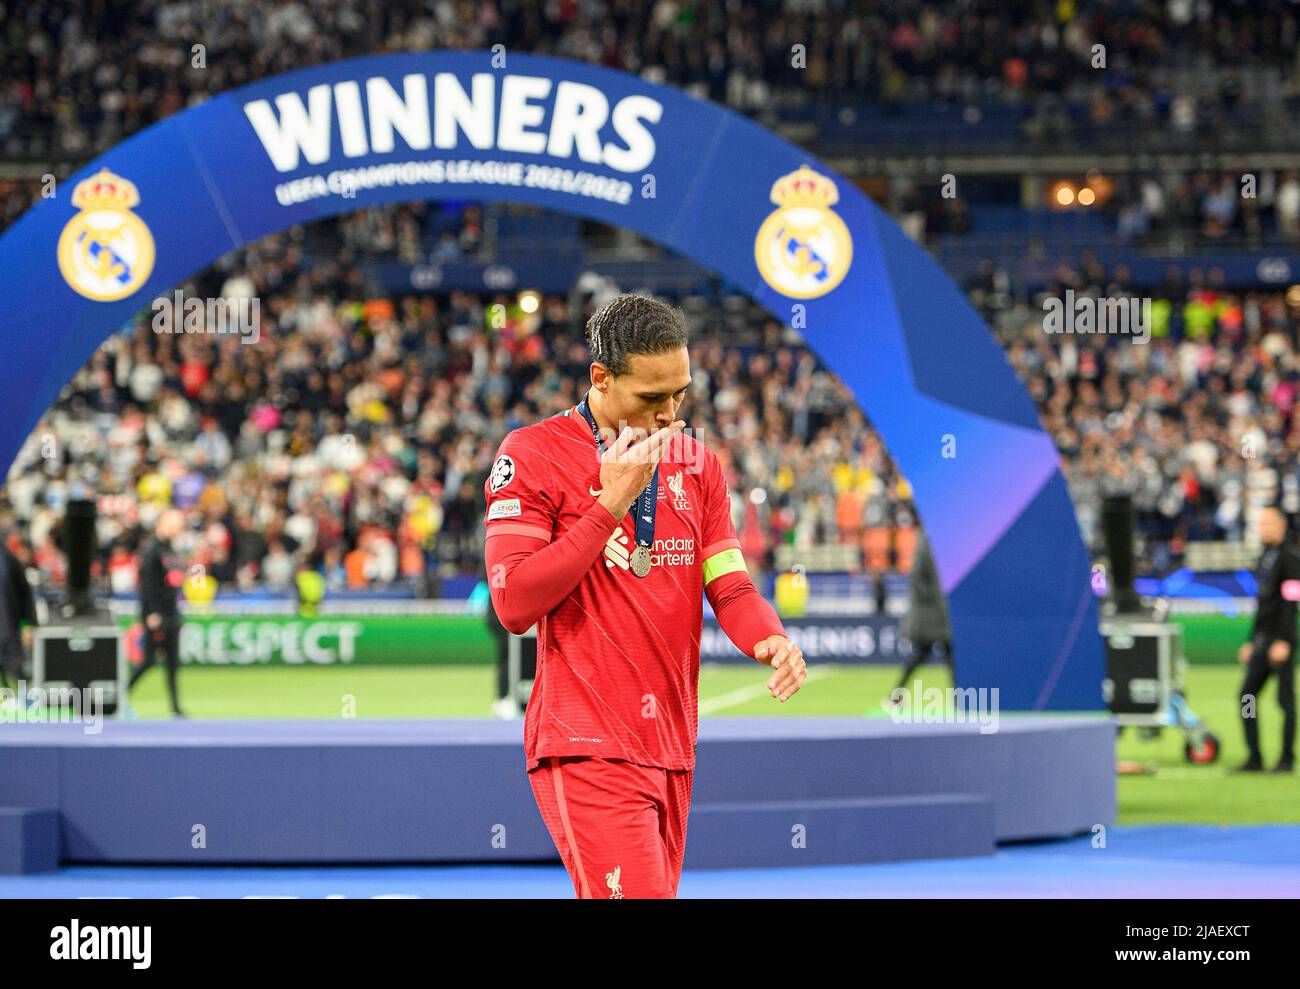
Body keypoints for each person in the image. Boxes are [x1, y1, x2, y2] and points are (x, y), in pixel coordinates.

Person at [483, 294, 806, 899]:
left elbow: (731, 585)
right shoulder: (532, 454)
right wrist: (610, 504)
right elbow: (514, 603)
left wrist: (770, 636)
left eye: (679, 395)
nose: (668, 414)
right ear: (601, 378)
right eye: (651, 397)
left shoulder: (698, 465)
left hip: (673, 745)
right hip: (585, 742)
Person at [1235, 506, 1297, 773]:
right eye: (1260, 523)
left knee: (1285, 701)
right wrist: (1251, 641)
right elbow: (1263, 605)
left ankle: (1286, 758)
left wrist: (1284, 640)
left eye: (1267, 523)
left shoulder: (1290, 557)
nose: (1263, 528)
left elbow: (1292, 602)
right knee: (1247, 696)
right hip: (1262, 640)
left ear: (1281, 525)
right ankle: (1254, 757)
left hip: (1280, 641)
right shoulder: (1264, 558)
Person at [884, 529, 952, 710]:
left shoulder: (930, 541)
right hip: (930, 617)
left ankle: (895, 696)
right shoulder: (928, 543)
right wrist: (939, 602)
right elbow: (920, 580)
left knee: (935, 655)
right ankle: (895, 696)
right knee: (943, 655)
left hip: (934, 616)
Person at [129, 508, 187, 718]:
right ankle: (119, 696)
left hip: (172, 613)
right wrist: (152, 613)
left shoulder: (170, 549)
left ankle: (176, 708)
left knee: (173, 662)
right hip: (157, 614)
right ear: (162, 524)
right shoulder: (151, 549)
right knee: (148, 661)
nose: (178, 529)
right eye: (175, 524)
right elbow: (147, 585)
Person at [0, 534, 37, 690]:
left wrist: (28, 624)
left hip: (9, 632)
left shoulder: (7, 559)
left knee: (16, 678)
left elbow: (25, 594)